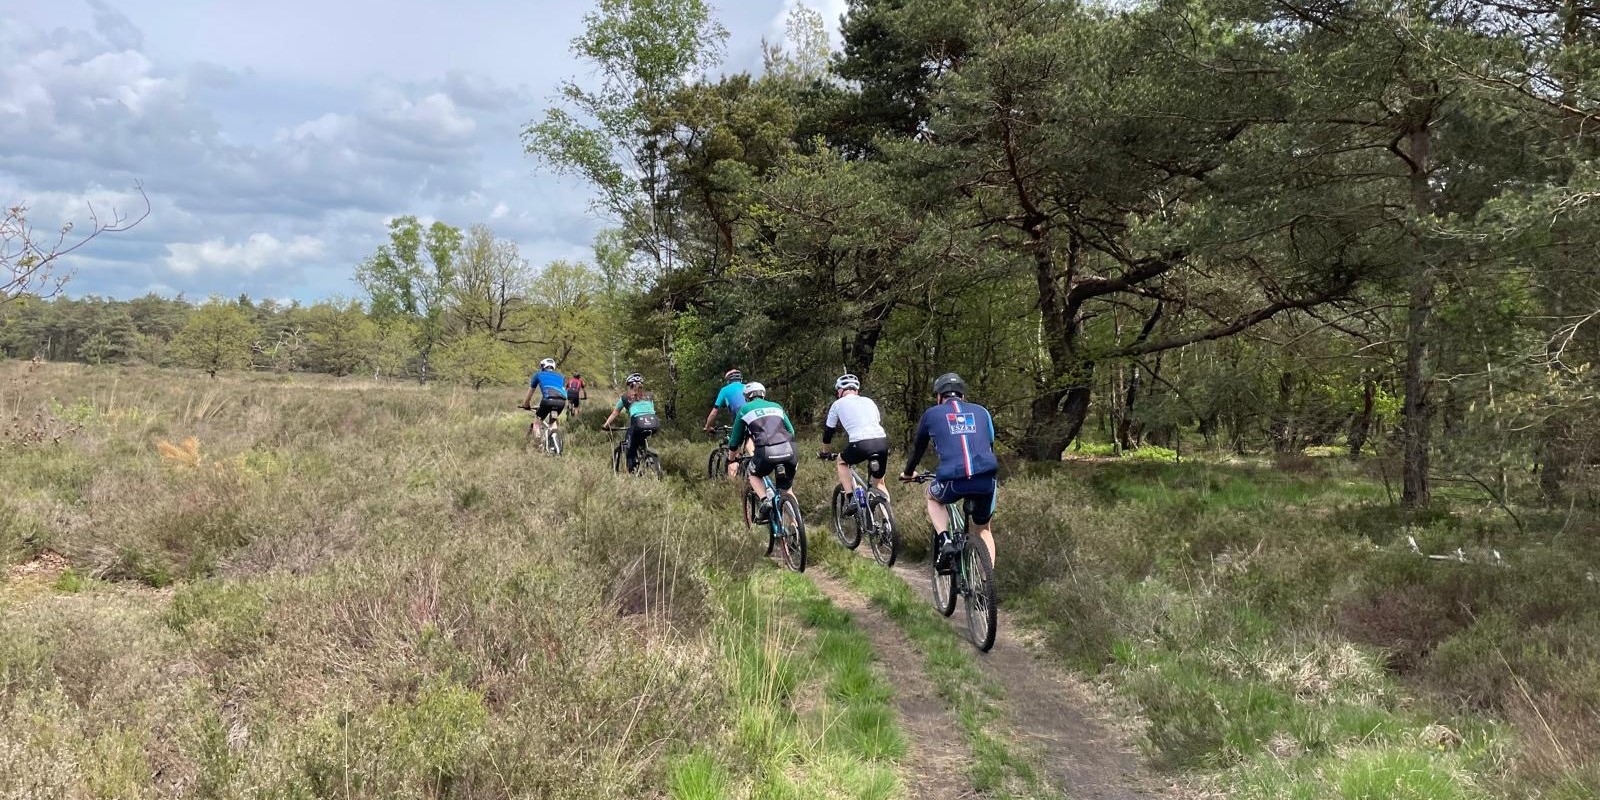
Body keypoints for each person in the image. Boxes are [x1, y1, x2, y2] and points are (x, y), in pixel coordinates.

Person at [900, 373, 999, 573]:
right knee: (984, 529)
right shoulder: (982, 411)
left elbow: (918, 449)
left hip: (953, 481)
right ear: (963, 396)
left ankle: (945, 540)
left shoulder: (931, 414)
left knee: (932, 496)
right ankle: (986, 584)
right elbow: (989, 443)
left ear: (939, 397)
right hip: (985, 480)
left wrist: (908, 473)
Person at [727, 382, 797, 523]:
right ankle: (796, 527)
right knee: (787, 490)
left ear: (747, 396)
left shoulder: (744, 409)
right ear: (763, 394)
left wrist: (731, 459)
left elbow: (735, 440)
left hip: (766, 452)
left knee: (753, 474)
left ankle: (765, 501)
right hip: (789, 450)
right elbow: (791, 431)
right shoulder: (776, 406)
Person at [820, 373, 891, 513]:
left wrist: (825, 452)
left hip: (860, 443)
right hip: (881, 442)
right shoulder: (869, 401)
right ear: (856, 390)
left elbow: (828, 432)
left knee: (842, 461)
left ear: (840, 390)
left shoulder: (837, 404)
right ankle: (888, 519)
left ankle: (851, 497)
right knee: (879, 483)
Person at [601, 373, 661, 472]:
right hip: (654, 422)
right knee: (641, 438)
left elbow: (615, 413)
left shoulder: (625, 397)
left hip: (637, 423)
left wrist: (605, 425)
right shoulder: (649, 396)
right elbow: (650, 410)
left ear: (629, 385)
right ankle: (647, 455)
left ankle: (631, 470)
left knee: (630, 449)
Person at [704, 368, 749, 478]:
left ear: (728, 380)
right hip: (756, 421)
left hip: (740, 422)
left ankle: (733, 486)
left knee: (732, 457)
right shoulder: (748, 387)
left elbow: (714, 412)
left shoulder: (725, 390)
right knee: (751, 449)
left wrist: (708, 426)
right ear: (741, 379)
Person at [520, 358, 567, 443]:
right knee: (553, 422)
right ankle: (555, 443)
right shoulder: (561, 377)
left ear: (542, 366)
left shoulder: (538, 375)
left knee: (537, 424)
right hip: (562, 401)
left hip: (548, 400)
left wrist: (526, 404)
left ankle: (539, 445)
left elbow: (530, 392)